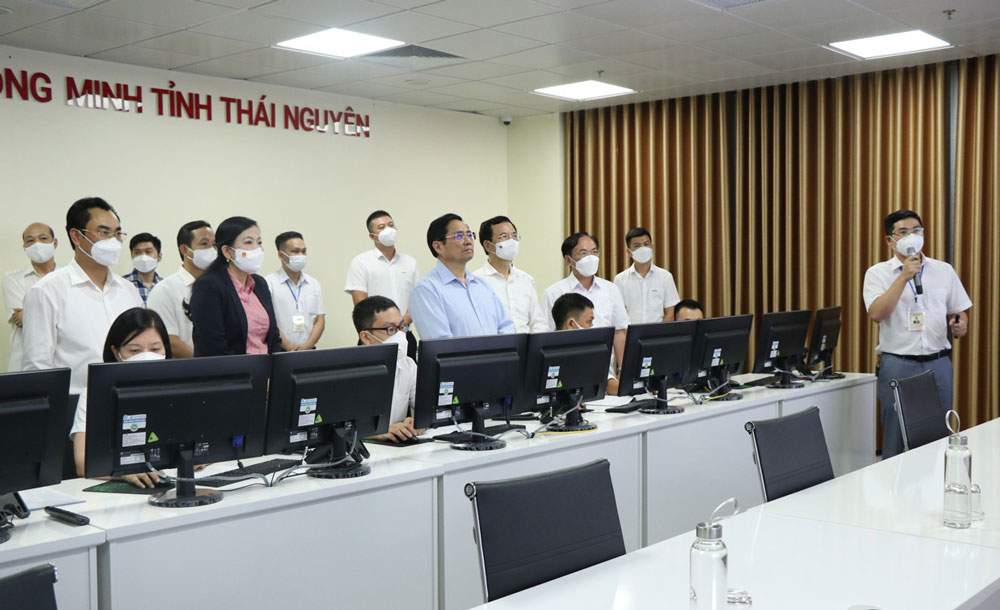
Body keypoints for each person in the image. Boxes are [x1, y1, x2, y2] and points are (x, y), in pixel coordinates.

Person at [863, 209, 971, 459]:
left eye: (916, 230)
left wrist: (960, 324)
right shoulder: (877, 273)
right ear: (890, 240)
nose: (912, 236)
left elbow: (959, 311)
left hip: (938, 363)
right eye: (903, 232)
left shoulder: (943, 270)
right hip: (898, 364)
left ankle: (937, 482)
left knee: (940, 434)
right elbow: (877, 314)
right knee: (895, 435)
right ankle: (893, 483)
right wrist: (903, 276)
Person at [22, 197, 142, 393]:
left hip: (128, 398)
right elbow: (37, 367)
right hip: (75, 404)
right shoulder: (47, 291)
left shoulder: (129, 291)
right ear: (76, 237)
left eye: (117, 234)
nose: (113, 241)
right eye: (104, 232)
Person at [70, 307, 172, 487]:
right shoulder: (94, 394)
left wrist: (199, 457)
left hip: (173, 482)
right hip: (124, 492)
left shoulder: (181, 388)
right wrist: (123, 472)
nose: (146, 356)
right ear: (116, 352)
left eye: (155, 349)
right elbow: (82, 463)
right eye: (134, 350)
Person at [409, 213, 514, 339]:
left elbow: (506, 327)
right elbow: (441, 343)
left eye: (469, 235)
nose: (468, 241)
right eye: (459, 236)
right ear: (438, 246)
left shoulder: (482, 285)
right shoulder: (426, 290)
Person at [189, 216, 280, 356]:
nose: (257, 249)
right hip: (230, 368)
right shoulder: (209, 286)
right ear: (227, 251)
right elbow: (213, 345)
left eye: (259, 242)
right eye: (248, 242)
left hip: (265, 367)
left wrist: (274, 367)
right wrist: (245, 369)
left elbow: (274, 337)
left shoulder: (260, 284)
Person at [540, 231, 628, 369]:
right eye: (583, 253)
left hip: (604, 370)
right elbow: (547, 337)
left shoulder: (611, 289)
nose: (590, 258)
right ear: (568, 260)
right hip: (567, 367)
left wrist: (622, 369)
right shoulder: (553, 293)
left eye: (594, 252)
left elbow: (620, 332)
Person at [345, 210, 420, 356]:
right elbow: (361, 304)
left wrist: (399, 326)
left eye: (391, 225)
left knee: (410, 369)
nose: (388, 230)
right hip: (376, 337)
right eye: (381, 227)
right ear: (372, 236)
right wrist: (388, 328)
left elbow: (417, 301)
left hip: (405, 334)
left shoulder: (410, 262)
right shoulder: (361, 262)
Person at [353, 296, 424, 443]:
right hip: (366, 449)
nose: (400, 335)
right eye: (390, 329)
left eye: (401, 327)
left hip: (398, 447)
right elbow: (340, 429)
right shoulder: (350, 373)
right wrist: (378, 432)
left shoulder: (408, 365)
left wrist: (418, 421)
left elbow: (428, 408)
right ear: (366, 337)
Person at [146, 220, 216, 358]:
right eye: (204, 244)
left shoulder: (219, 287)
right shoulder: (164, 290)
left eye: (214, 245)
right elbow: (170, 342)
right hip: (187, 368)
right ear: (185, 250)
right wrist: (209, 363)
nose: (212, 250)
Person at [473, 215, 548, 334]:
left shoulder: (526, 280)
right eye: (504, 236)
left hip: (527, 344)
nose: (511, 241)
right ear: (487, 245)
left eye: (514, 236)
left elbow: (537, 322)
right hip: (496, 344)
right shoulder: (476, 282)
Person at [3, 222, 58, 371]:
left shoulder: (67, 278)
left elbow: (74, 318)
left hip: (61, 360)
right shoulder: (13, 278)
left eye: (43, 238)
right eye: (30, 240)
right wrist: (58, 314)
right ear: (25, 247)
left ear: (54, 243)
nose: (37, 244)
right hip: (23, 363)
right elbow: (21, 320)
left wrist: (29, 313)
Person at [266, 231, 326, 351]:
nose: (301, 255)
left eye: (303, 251)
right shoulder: (268, 283)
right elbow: (268, 322)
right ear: (281, 255)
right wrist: (289, 347)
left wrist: (308, 345)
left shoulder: (313, 284)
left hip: (309, 349)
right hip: (280, 350)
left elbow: (320, 319)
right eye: (295, 251)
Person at [551, 293, 619, 395]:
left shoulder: (590, 350)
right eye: (589, 321)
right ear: (571, 324)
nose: (592, 326)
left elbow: (605, 381)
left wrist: (625, 387)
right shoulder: (549, 355)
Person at [614, 227, 680, 323]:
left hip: (659, 331)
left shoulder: (665, 277)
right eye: (637, 246)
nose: (643, 249)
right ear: (629, 252)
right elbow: (618, 314)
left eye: (646, 244)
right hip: (630, 331)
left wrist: (660, 330)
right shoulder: (620, 279)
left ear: (652, 248)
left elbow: (671, 312)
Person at [122, 232, 163, 306]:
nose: (143, 257)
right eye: (137, 252)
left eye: (148, 252)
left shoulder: (165, 286)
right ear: (132, 256)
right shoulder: (121, 284)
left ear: (159, 256)